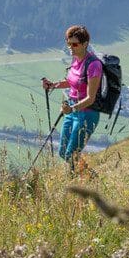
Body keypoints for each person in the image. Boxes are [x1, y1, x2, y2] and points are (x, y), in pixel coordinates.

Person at [42, 25, 102, 172]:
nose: (70, 47)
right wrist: (53, 85)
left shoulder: (94, 65)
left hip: (87, 114)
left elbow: (91, 98)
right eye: (68, 43)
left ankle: (86, 182)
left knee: (72, 154)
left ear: (85, 44)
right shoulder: (76, 60)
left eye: (74, 44)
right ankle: (89, 179)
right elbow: (72, 81)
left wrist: (72, 108)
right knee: (63, 152)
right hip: (71, 111)